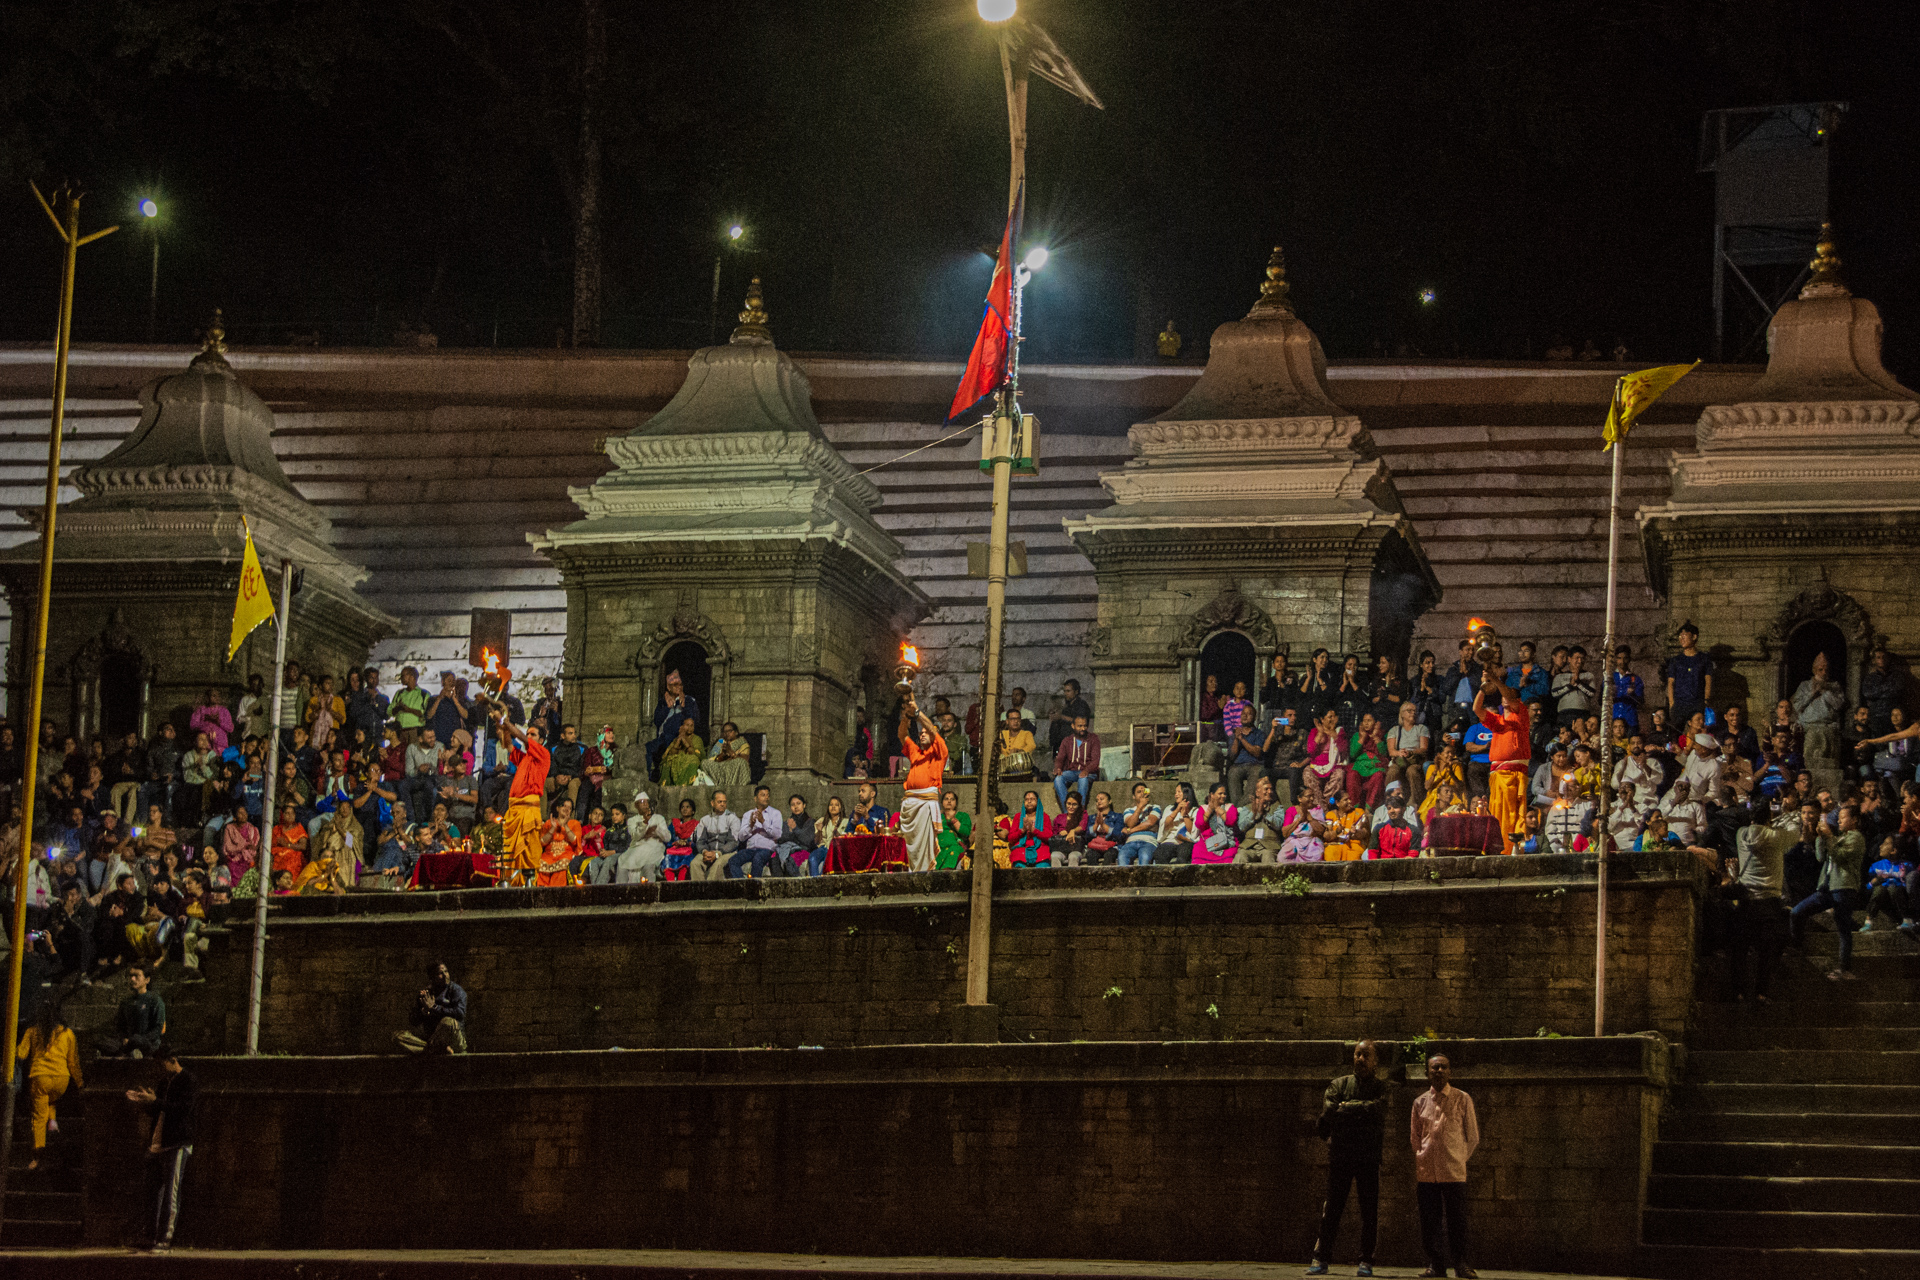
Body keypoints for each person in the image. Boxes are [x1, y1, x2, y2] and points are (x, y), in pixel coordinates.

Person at [1308, 1039, 1387, 1277]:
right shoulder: (1338, 1084)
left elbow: (1378, 1111)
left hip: (1368, 1157)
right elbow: (1331, 1111)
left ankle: (1366, 1260)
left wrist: (1348, 1107)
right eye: (1357, 1054)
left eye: (1365, 1055)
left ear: (1374, 1061)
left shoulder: (1380, 1088)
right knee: (1332, 1208)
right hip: (1341, 1156)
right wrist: (1361, 1109)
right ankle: (1321, 1258)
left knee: (1369, 1211)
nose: (1360, 1059)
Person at [1411, 1053, 1479, 1280]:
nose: (1439, 1071)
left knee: (1457, 1220)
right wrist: (1423, 1156)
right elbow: (1415, 1137)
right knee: (1430, 1221)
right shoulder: (1420, 1102)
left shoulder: (1462, 1099)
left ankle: (1461, 1263)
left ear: (1450, 1072)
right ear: (1427, 1073)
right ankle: (1436, 1264)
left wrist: (1458, 1158)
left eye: (1443, 1067)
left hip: (1453, 1171)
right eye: (1434, 1068)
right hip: (1427, 1172)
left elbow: (1473, 1137)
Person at [125, 1045, 196, 1253]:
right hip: (158, 1142)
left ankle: (165, 1238)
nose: (160, 1069)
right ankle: (150, 1235)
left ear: (172, 1060)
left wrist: (155, 1101)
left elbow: (182, 1110)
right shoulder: (164, 1082)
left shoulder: (188, 1080)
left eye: (161, 1063)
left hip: (177, 1142)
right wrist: (145, 1101)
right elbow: (159, 1109)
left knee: (170, 1194)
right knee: (152, 1192)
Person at [1790, 803, 1865, 981]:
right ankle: (1796, 947)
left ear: (1854, 820)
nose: (1839, 820)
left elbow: (1839, 856)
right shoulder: (1839, 837)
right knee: (1797, 911)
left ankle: (1844, 968)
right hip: (1827, 887)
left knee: (1843, 928)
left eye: (1844, 817)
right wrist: (1820, 837)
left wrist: (1829, 836)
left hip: (1844, 887)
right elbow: (1820, 857)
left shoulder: (1856, 838)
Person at [16, 1000, 82, 1173]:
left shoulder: (32, 1031)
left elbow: (21, 1054)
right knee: (50, 1100)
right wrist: (80, 1083)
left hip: (40, 1077)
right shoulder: (67, 1033)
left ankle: (37, 1156)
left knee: (38, 1117)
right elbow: (73, 1062)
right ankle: (52, 1121)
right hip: (62, 1079)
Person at [489, 700, 550, 888]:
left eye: (533, 735)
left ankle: (529, 889)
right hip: (514, 811)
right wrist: (502, 724)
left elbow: (521, 739)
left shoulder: (543, 755)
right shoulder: (525, 758)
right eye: (529, 733)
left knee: (528, 854)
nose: (529, 737)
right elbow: (508, 745)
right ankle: (512, 887)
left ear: (540, 741)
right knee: (510, 854)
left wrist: (505, 720)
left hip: (528, 811)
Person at [1474, 662, 1531, 855]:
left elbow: (1508, 695)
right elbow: (1476, 709)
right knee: (1498, 813)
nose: (1506, 698)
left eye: (1510, 695)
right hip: (1498, 774)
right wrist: (1484, 687)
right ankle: (1499, 849)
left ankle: (1513, 849)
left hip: (1514, 774)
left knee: (1514, 815)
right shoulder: (1497, 721)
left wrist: (1496, 679)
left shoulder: (1521, 714)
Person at [898, 699, 948, 873]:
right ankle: (911, 873)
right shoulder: (915, 752)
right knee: (909, 845)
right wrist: (906, 717)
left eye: (926, 732)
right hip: (910, 803)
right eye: (921, 733)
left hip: (926, 803)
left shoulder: (940, 752)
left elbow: (934, 731)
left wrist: (918, 713)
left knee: (926, 847)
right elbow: (902, 736)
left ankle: (925, 875)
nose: (922, 734)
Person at [395, 961, 468, 1053]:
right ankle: (437, 1049)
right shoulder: (426, 994)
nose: (445, 975)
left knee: (448, 1022)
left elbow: (460, 1013)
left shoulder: (456, 990)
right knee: (398, 1036)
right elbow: (413, 1021)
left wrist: (434, 1007)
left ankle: (431, 1049)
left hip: (454, 1041)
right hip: (431, 1038)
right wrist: (423, 1011)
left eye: (446, 972)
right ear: (432, 977)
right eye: (440, 973)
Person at [1663, 622, 1712, 728]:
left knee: (1698, 733)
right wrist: (1672, 704)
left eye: (1684, 636)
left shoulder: (1704, 659)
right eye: (1680, 636)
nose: (1681, 639)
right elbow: (1671, 683)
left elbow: (1708, 680)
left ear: (1694, 637)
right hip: (1680, 703)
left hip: (1697, 703)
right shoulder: (1676, 660)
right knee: (1676, 732)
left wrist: (1706, 701)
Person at [729, 785, 785, 878]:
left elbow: (778, 835)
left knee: (758, 858)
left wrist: (763, 822)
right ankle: (743, 887)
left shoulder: (775, 813)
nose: (766, 797)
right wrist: (751, 825)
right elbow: (741, 838)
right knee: (733, 861)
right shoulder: (748, 815)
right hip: (750, 849)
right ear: (755, 798)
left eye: (768, 795)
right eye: (763, 795)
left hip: (767, 850)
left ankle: (754, 888)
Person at [1052, 714, 1101, 812]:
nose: (1083, 728)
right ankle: (1069, 811)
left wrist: (1086, 770)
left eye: (1085, 726)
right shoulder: (1067, 741)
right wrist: (1058, 768)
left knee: (1083, 779)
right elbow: (1060, 758)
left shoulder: (1093, 739)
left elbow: (1095, 760)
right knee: (1058, 779)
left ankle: (1079, 811)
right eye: (1080, 726)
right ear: (1073, 726)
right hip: (1071, 772)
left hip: (1089, 773)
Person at [621, 793, 671, 883]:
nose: (644, 804)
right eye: (641, 802)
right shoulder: (632, 820)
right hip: (637, 848)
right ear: (636, 805)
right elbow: (635, 836)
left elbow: (667, 838)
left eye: (646, 802)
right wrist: (645, 823)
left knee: (648, 866)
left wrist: (656, 829)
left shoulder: (659, 818)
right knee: (622, 864)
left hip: (654, 848)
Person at [935, 791, 971, 871]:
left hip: (955, 847)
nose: (949, 801)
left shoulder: (963, 816)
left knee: (953, 851)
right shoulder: (937, 817)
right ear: (942, 802)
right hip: (939, 847)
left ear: (956, 803)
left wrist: (953, 820)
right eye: (946, 799)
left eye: (952, 799)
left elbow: (966, 833)